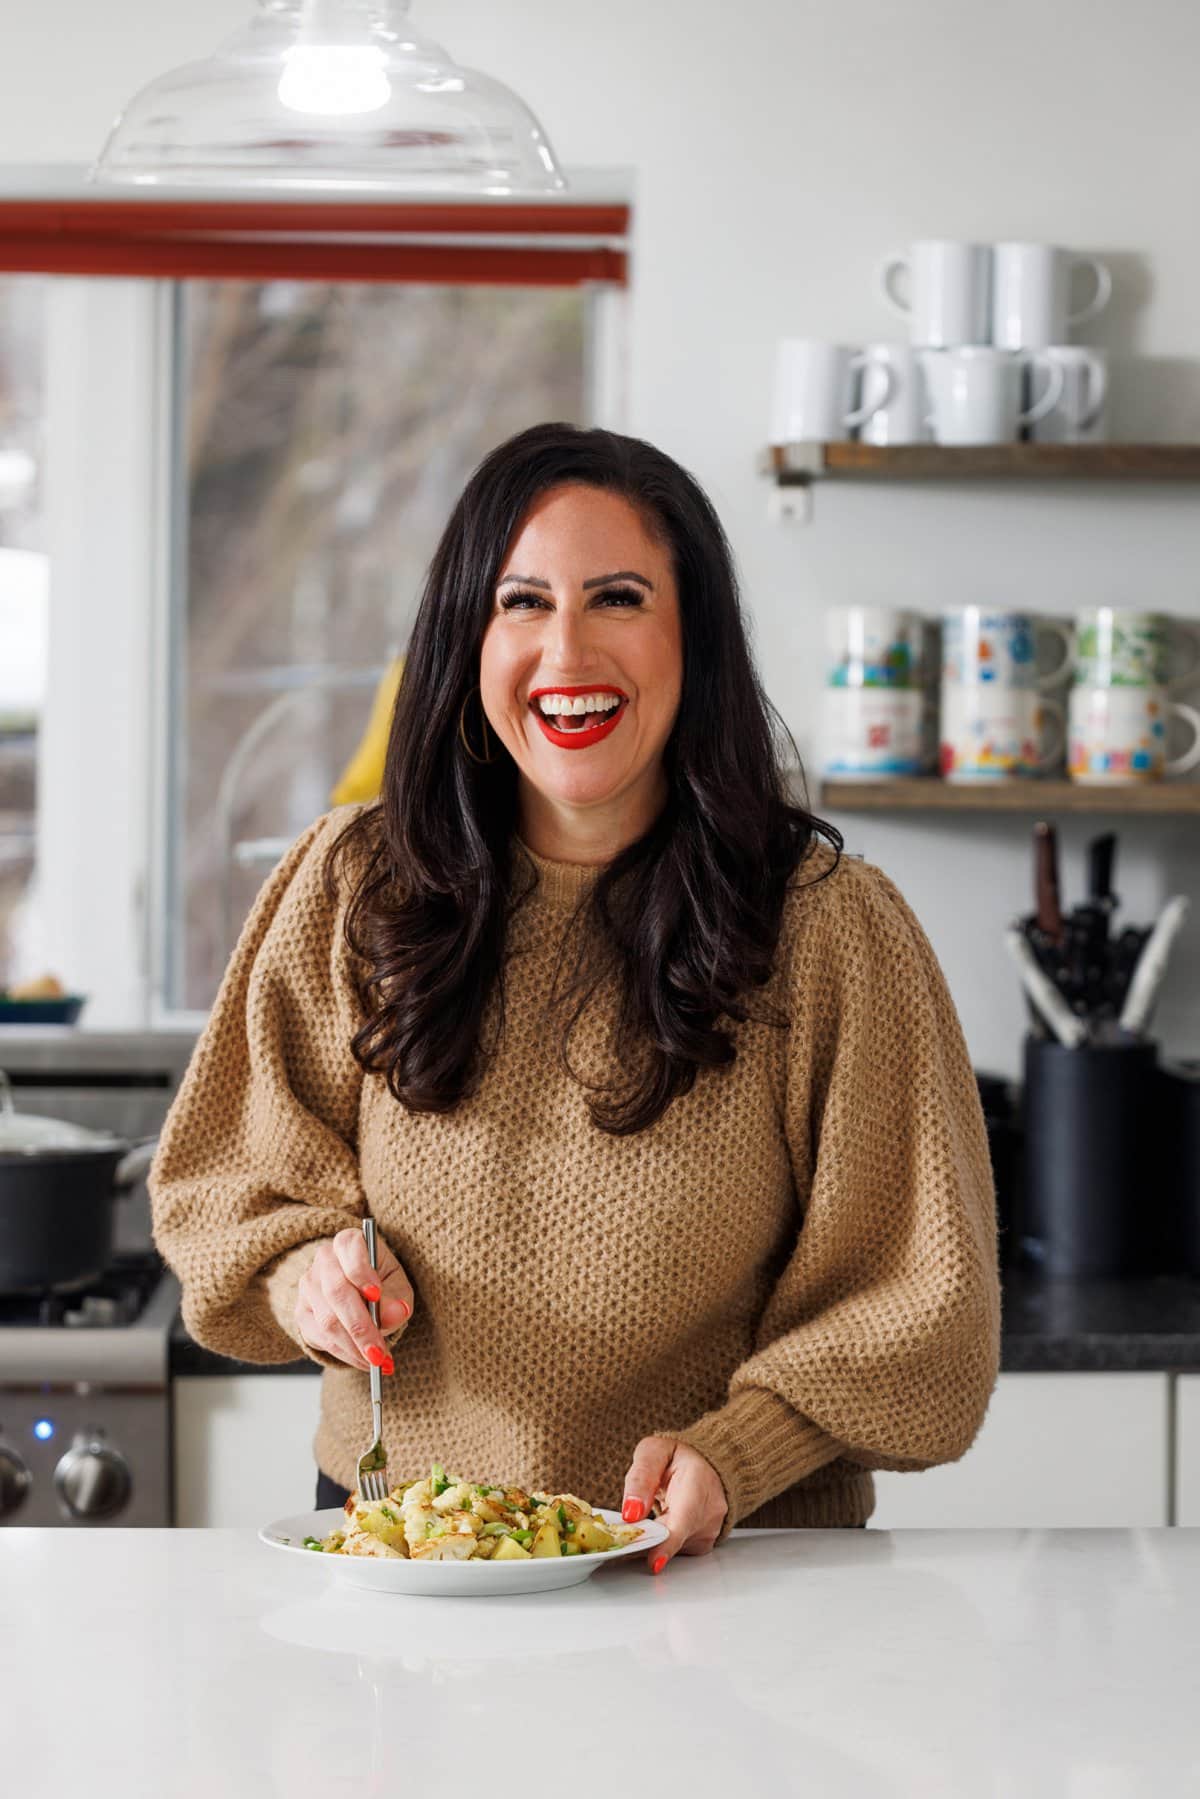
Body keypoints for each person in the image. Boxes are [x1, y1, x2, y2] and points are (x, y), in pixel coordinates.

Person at [149, 422, 1000, 1571]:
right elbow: (220, 1187)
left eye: (618, 598)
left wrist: (743, 1449)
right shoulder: (352, 885)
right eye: (523, 602)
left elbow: (923, 1305)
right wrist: (306, 1273)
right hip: (413, 1561)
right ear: (467, 636)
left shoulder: (831, 927)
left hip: (724, 1569)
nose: (567, 650)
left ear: (692, 637)